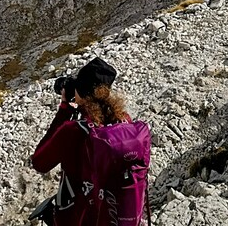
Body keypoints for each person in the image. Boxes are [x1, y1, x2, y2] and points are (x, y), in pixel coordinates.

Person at [29, 58, 152, 226]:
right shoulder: (125, 121)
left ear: (82, 92)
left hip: (80, 218)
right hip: (116, 216)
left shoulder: (73, 131)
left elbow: (39, 162)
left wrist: (65, 110)